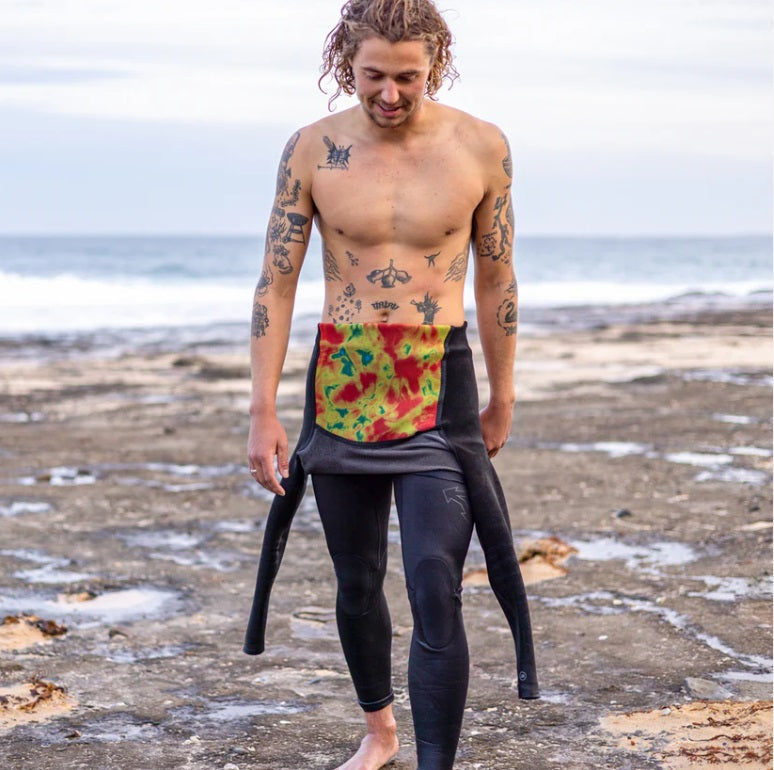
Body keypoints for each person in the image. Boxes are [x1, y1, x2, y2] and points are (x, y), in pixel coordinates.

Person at [244, 1, 538, 767]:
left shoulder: (481, 146)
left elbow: (497, 278)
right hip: (343, 376)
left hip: (439, 381)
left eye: (408, 77)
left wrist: (503, 393)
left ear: (436, 62)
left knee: (435, 579)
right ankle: (379, 732)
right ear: (345, 60)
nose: (390, 92)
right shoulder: (312, 149)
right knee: (357, 580)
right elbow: (276, 284)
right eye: (373, 75)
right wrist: (262, 410)